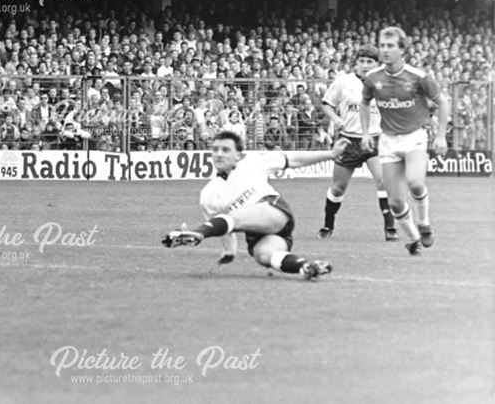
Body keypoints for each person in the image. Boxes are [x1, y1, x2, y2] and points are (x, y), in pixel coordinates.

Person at [161, 131, 350, 280]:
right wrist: (229, 252)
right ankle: (306, 267)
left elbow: (293, 159)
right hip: (257, 233)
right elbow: (223, 227)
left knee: (235, 216)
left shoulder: (253, 162)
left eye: (225, 150)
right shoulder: (208, 195)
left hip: (274, 211)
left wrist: (331, 154)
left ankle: (199, 233)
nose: (219, 154)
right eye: (215, 149)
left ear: (239, 156)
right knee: (265, 256)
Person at [360, 27, 450, 256]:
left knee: (416, 183)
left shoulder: (419, 77)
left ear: (402, 49)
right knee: (396, 203)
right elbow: (364, 103)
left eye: (391, 46)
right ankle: (412, 239)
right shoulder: (373, 78)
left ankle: (424, 222)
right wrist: (366, 133)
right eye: (382, 45)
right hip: (388, 141)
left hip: (414, 137)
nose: (385, 50)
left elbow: (443, 102)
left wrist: (440, 135)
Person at [319, 45, 396, 241]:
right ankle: (328, 226)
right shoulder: (343, 82)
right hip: (348, 139)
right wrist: (336, 119)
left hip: (375, 138)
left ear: (377, 64)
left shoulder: (385, 83)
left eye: (370, 62)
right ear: (356, 62)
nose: (365, 65)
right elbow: (326, 104)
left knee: (383, 181)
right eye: (362, 61)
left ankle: (390, 229)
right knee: (338, 188)